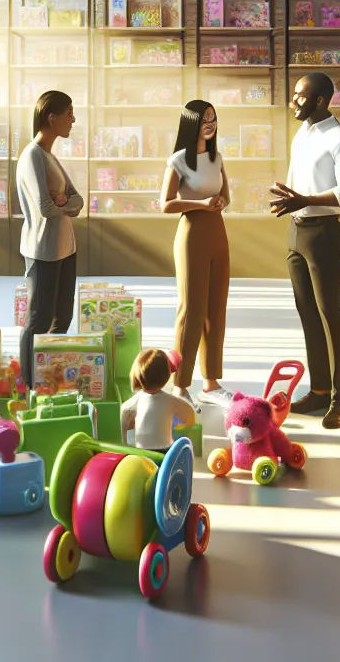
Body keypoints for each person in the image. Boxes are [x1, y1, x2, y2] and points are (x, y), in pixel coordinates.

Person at [267, 72, 340, 429]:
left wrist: (304, 200)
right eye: (293, 94)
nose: (294, 101)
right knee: (307, 313)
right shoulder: (303, 132)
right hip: (296, 231)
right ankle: (319, 390)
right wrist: (291, 202)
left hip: (323, 233)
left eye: (300, 96)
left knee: (330, 313)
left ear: (321, 100)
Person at [159, 99, 231, 406]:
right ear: (192, 124)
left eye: (213, 119)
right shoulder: (179, 160)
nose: (210, 125)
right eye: (204, 120)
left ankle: (211, 383)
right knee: (191, 311)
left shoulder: (216, 158)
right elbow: (165, 204)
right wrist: (201, 204)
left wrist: (221, 202)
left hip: (218, 231)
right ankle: (180, 385)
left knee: (216, 309)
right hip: (191, 233)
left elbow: (225, 193)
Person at [15, 90, 82, 383]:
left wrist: (63, 203)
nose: (73, 119)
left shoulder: (50, 157)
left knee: (62, 319)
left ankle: (48, 378)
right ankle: (30, 383)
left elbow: (78, 200)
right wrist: (63, 203)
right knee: (37, 321)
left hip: (66, 248)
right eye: (69, 113)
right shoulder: (32, 156)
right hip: (43, 250)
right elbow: (44, 207)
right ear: (51, 117)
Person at [120, 348, 198, 451]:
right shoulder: (171, 401)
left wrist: (124, 439)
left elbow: (124, 410)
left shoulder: (137, 400)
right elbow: (189, 413)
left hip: (142, 452)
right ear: (166, 376)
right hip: (165, 452)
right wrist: (186, 425)